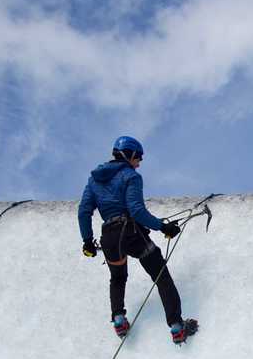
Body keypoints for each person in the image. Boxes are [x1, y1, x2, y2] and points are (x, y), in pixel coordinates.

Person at [78, 135, 198, 344]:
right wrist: (163, 227)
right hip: (131, 233)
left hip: (109, 238)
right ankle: (177, 327)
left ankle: (119, 320)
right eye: (138, 157)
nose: (139, 162)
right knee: (160, 274)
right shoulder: (130, 176)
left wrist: (87, 241)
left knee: (118, 278)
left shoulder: (94, 180)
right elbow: (136, 210)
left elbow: (83, 211)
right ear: (129, 155)